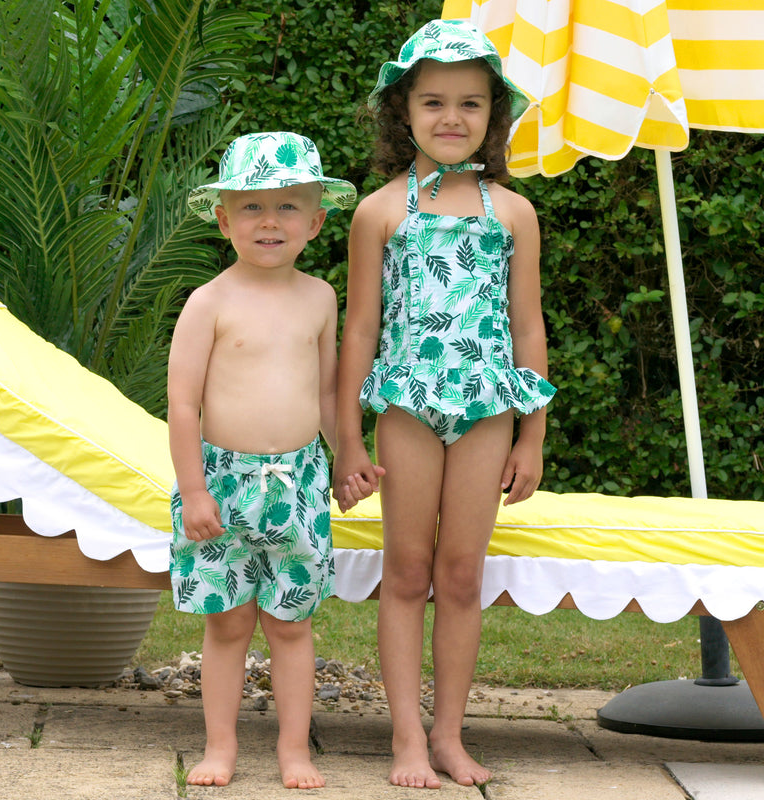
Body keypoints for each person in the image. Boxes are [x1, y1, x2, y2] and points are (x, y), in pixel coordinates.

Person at [333, 19, 556, 789]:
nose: (452, 118)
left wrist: (534, 435)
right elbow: (359, 330)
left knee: (461, 574)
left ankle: (450, 737)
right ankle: (403, 739)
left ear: (495, 114)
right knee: (406, 570)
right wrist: (348, 442)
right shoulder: (380, 212)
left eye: (471, 103)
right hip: (406, 408)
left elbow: (527, 325)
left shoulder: (513, 214)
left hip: (488, 411)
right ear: (404, 111)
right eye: (433, 102)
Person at [168, 131, 360, 789]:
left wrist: (346, 458)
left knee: (290, 623)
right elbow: (184, 406)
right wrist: (195, 491)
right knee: (227, 625)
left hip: (299, 485)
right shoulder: (210, 303)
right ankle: (220, 748)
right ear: (223, 221)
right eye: (251, 207)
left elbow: (329, 391)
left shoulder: (320, 299)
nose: (269, 221)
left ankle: (294, 751)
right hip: (222, 486)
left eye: (287, 206)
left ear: (316, 220)